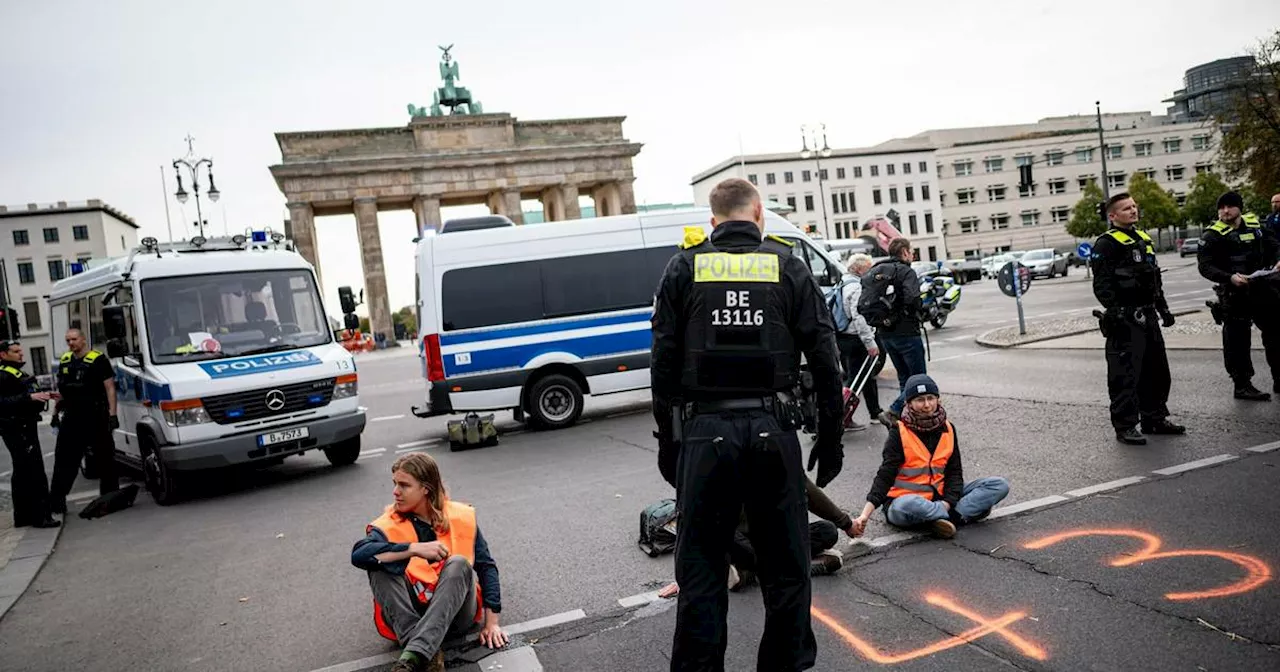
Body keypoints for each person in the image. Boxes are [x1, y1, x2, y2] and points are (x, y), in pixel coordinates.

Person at [650, 177, 843, 672]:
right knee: (787, 568)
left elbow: (663, 365)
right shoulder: (788, 266)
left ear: (712, 222)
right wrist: (831, 436)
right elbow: (825, 358)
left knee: (701, 570)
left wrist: (670, 444)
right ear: (758, 213)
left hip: (704, 433)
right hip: (770, 430)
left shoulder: (684, 268)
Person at [351, 453, 508, 672]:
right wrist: (412, 549)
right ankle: (423, 651)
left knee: (459, 563)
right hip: (409, 618)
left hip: (454, 615)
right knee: (376, 564)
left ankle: (415, 653)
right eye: (395, 484)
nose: (395, 492)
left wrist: (492, 623)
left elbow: (486, 567)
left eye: (404, 485)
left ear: (426, 488)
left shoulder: (458, 516)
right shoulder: (388, 524)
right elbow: (358, 555)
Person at [850, 374, 1009, 539]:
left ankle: (941, 519)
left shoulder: (948, 428)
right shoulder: (899, 432)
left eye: (930, 398)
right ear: (908, 403)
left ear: (938, 400)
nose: (927, 405)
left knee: (998, 485)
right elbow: (885, 475)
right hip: (904, 502)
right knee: (907, 505)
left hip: (941, 497)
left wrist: (947, 502)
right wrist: (865, 515)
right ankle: (958, 514)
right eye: (920, 400)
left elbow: (954, 473)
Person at [1090, 192, 1186, 445]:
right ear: (1113, 215)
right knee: (1125, 375)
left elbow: (1154, 277)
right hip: (1125, 318)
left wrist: (1163, 309)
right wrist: (1116, 312)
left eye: (1134, 206)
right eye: (1126, 208)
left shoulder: (1143, 238)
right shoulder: (1106, 244)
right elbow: (1102, 284)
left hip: (1148, 313)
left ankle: (1154, 418)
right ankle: (1125, 426)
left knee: (1157, 371)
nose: (1133, 211)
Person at [1197, 190, 1280, 400]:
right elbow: (1205, 267)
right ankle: (1242, 384)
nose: (1225, 211)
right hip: (1234, 292)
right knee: (1237, 341)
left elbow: (1275, 247)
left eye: (1230, 206)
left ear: (1239, 208)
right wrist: (1228, 277)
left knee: (1275, 334)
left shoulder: (1257, 228)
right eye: (1221, 208)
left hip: (1263, 288)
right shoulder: (1212, 235)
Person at [49, 328, 120, 513]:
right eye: (67, 340)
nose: (70, 343)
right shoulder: (65, 361)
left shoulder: (98, 359)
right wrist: (55, 414)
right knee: (64, 459)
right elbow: (61, 392)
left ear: (83, 340)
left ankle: (110, 498)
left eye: (73, 339)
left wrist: (113, 415)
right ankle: (57, 502)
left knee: (105, 458)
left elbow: (109, 388)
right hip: (72, 417)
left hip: (96, 416)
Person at [859, 238, 925, 428]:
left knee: (904, 378)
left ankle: (906, 416)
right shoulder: (906, 271)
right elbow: (913, 298)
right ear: (904, 252)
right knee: (918, 378)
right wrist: (917, 310)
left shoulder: (877, 270)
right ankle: (894, 411)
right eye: (911, 251)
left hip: (885, 334)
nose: (912, 255)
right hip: (907, 332)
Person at [0, 341, 59, 529]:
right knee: (34, 471)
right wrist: (29, 398)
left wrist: (44, 395)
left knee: (22, 471)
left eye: (21, 351)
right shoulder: (3, 374)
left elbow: (27, 393)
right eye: (16, 351)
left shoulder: (16, 373)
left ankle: (23, 515)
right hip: (17, 427)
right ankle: (41, 517)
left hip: (24, 425)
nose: (21, 355)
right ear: (3, 355)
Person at [838, 253, 885, 430]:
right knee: (855, 379)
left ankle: (875, 411)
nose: (871, 271)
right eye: (868, 267)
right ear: (858, 269)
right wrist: (870, 343)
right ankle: (843, 416)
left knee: (866, 375)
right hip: (855, 338)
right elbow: (859, 317)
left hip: (844, 336)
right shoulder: (856, 287)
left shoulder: (843, 282)